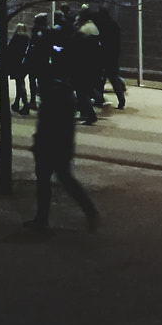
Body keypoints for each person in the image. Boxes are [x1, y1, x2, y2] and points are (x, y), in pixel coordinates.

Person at [25, 62, 100, 235]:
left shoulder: (53, 97)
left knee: (52, 181)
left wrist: (39, 142)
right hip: (60, 145)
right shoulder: (64, 95)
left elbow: (48, 125)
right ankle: (44, 217)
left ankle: (87, 212)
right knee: (60, 180)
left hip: (51, 145)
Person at [71, 6, 103, 123]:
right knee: (86, 89)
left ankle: (89, 114)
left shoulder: (83, 30)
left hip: (83, 65)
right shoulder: (93, 28)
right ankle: (87, 111)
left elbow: (77, 47)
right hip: (92, 64)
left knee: (82, 91)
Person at [93, 5, 127, 109]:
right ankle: (119, 100)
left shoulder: (103, 25)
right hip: (113, 55)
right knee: (112, 78)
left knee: (106, 78)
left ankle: (101, 99)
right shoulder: (113, 25)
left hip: (105, 54)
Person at [5, 19, 32, 113]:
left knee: (20, 83)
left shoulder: (16, 38)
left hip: (16, 63)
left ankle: (25, 104)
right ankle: (17, 102)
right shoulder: (27, 38)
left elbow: (9, 50)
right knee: (20, 83)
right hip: (25, 63)